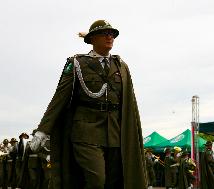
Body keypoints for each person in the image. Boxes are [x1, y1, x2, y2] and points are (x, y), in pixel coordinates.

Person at [29, 19, 147, 189]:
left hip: (115, 132)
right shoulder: (77, 63)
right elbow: (59, 98)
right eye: (104, 34)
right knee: (97, 179)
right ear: (92, 39)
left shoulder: (121, 67)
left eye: (112, 34)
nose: (109, 37)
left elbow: (129, 104)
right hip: (86, 131)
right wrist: (42, 130)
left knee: (113, 182)